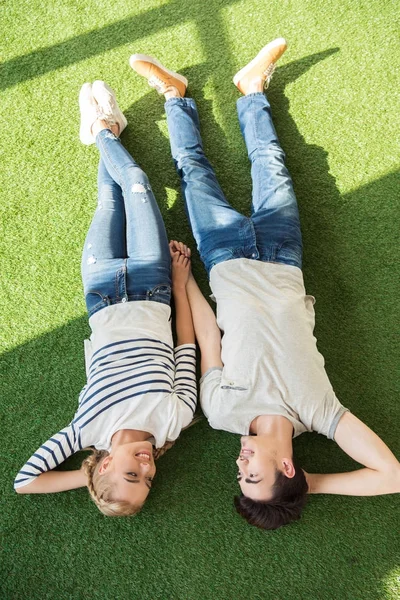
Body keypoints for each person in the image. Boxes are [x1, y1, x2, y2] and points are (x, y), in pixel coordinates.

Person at [130, 38, 400, 529]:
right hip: (283, 255)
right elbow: (392, 476)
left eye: (240, 476)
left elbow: (209, 336)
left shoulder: (221, 413)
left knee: (194, 173)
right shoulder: (318, 412)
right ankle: (252, 88)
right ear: (286, 466)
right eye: (252, 475)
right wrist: (308, 484)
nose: (239, 467)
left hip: (222, 258)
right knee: (270, 161)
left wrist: (183, 280)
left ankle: (174, 96)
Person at [14, 81, 197, 517]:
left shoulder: (85, 431)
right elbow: (186, 344)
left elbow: (25, 483)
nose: (148, 468)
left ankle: (105, 127)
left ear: (108, 464)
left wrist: (90, 473)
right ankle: (102, 126)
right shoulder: (176, 419)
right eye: (149, 480)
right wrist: (180, 282)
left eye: (133, 475)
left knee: (109, 199)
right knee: (135, 181)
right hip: (155, 286)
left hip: (100, 291)